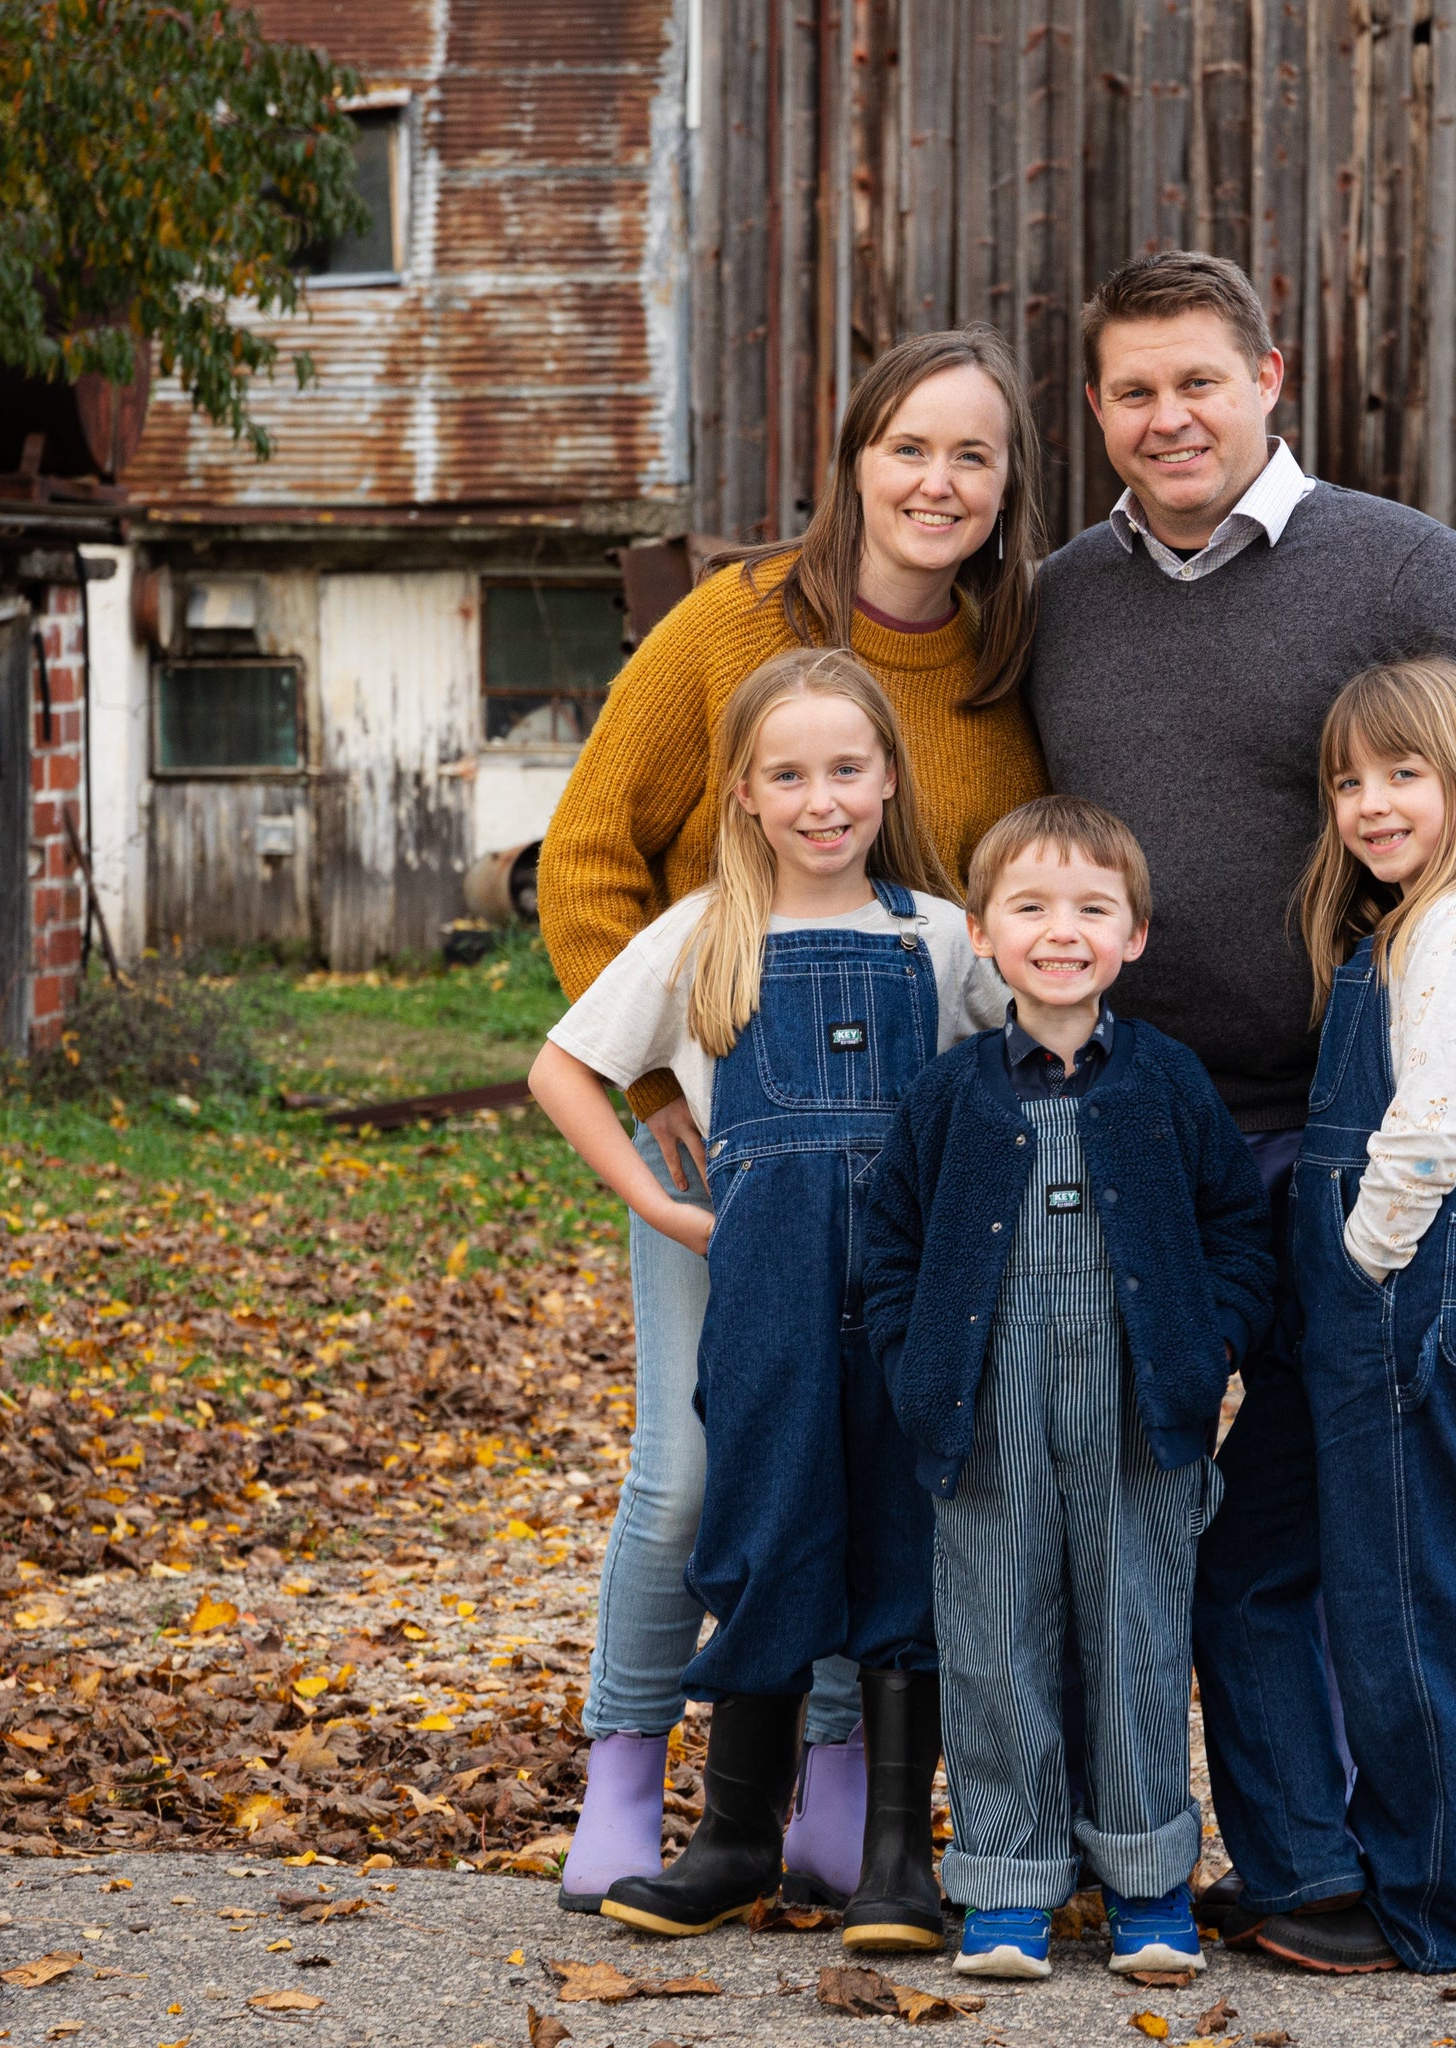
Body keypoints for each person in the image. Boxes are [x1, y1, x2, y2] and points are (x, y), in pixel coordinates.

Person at [1025, 250, 1456, 1971]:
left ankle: (1395, 1872)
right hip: (1140, 1124)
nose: (1166, 418)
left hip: (1353, 1125)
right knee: (1158, 1504)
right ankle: (1264, 1866)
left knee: (1363, 1519)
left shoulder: (1398, 565)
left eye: (1196, 380)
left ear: (1267, 376)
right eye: (1132, 390)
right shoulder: (1065, 595)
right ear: (1098, 411)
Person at [538, 328, 1051, 1918]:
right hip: (727, 1147)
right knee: (705, 1472)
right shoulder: (733, 627)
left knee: (881, 1468)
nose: (938, 483)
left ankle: (853, 1811)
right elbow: (589, 850)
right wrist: (657, 1094)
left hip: (900, 1189)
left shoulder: (1002, 663)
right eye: (909, 447)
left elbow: (1007, 967)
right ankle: (637, 1780)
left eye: (973, 455)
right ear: (854, 461)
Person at [862, 796, 1275, 1981]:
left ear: (1132, 936)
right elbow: (890, 1249)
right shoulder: (948, 1095)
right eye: (1029, 906)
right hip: (982, 1416)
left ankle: (1147, 1885)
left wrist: (1208, 1347)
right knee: (994, 1646)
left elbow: (1235, 1233)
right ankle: (1006, 1888)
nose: (1060, 930)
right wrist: (913, 1361)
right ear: (983, 934)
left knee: (1140, 1639)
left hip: (1141, 1413)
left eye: (1091, 907)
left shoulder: (1164, 1081)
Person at [1289, 657, 1456, 1970]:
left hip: (1414, 1287)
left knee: (1412, 1604)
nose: (1371, 803)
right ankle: (1376, 1870)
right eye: (1349, 780)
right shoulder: (1407, 923)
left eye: (1404, 774)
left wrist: (1357, 1264)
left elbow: (1430, 1129)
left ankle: (1430, 1909)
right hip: (1403, 1287)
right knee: (1384, 1591)